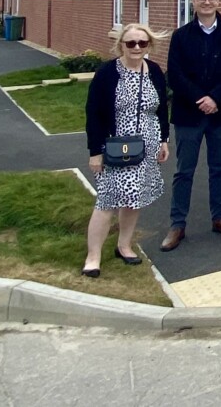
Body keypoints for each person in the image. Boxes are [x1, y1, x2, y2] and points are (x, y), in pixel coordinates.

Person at [161, 0, 221, 252]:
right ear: (193, 2)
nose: (207, 2)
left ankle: (220, 217)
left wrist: (215, 98)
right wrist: (201, 99)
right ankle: (177, 224)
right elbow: (175, 74)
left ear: (219, 1)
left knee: (219, 167)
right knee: (184, 171)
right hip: (189, 113)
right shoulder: (180, 35)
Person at [82, 23, 170, 277]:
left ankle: (124, 245)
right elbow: (94, 113)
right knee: (107, 200)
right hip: (115, 146)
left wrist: (164, 139)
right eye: (130, 43)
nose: (136, 47)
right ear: (121, 44)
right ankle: (93, 256)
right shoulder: (108, 73)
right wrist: (95, 151)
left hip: (147, 145)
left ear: (149, 45)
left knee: (135, 197)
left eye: (142, 43)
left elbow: (161, 108)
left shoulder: (154, 70)